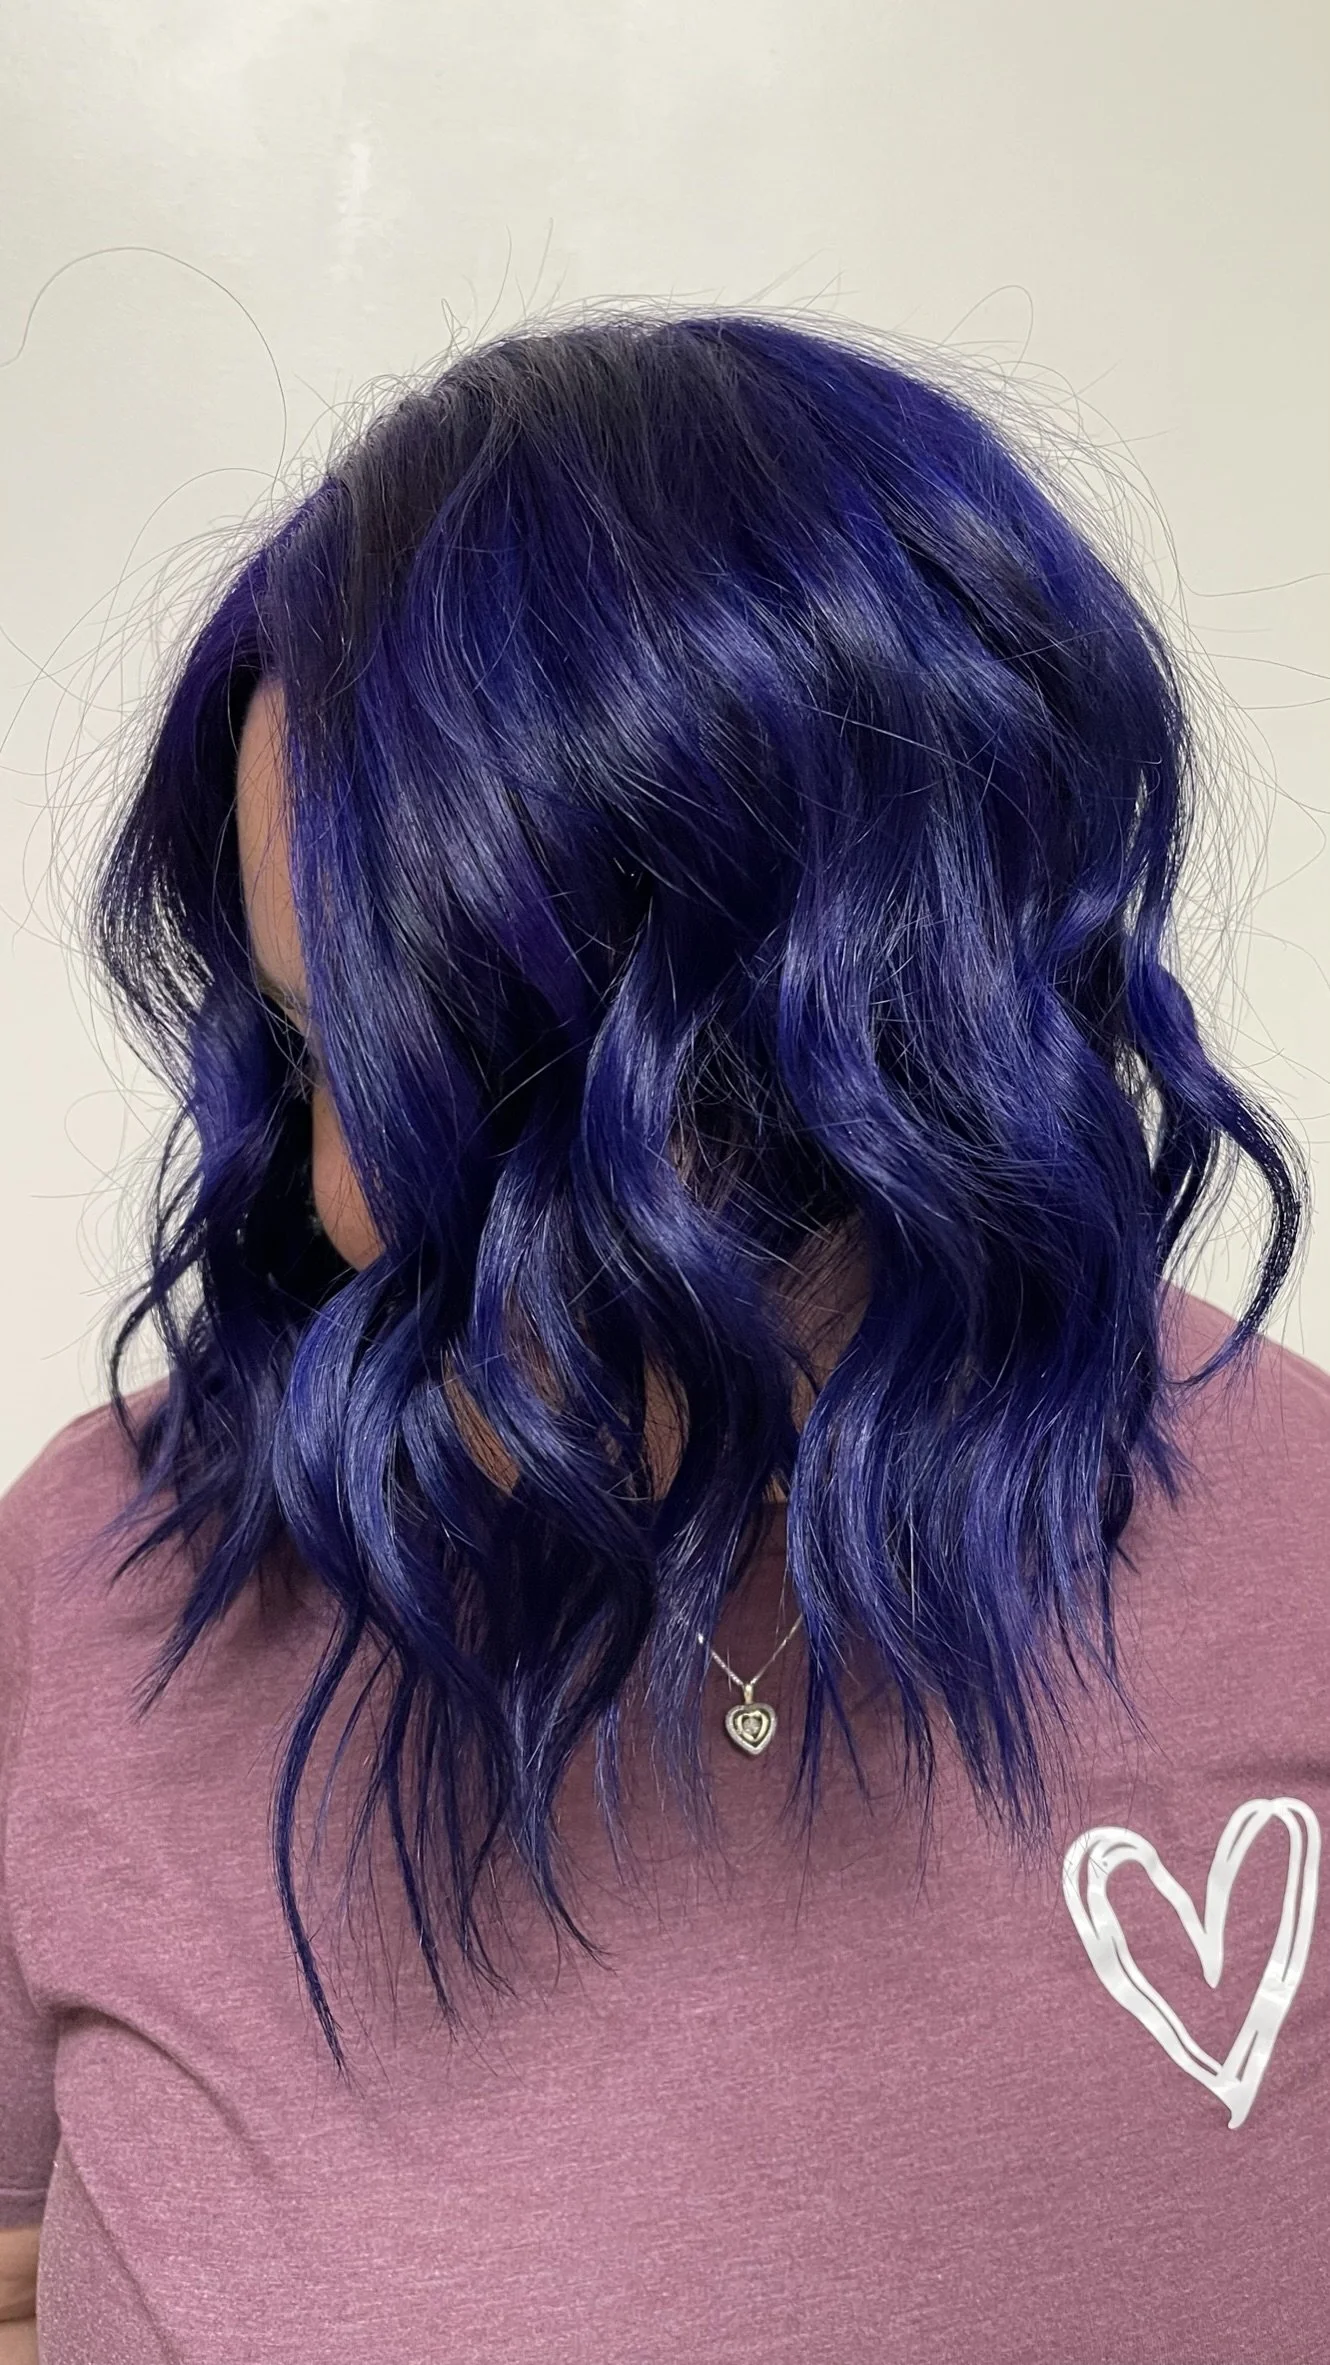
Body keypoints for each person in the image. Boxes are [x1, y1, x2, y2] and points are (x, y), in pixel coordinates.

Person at [0, 307, 1325, 2365]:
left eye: (455, 1070)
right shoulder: (103, 1569)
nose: (341, 1198)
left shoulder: (1296, 1536)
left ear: (868, 994)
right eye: (299, 1049)